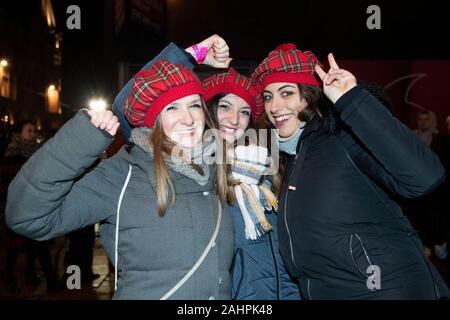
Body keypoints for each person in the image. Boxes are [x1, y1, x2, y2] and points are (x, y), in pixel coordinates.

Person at [6, 35, 236, 299]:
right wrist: (80, 141)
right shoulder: (123, 174)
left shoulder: (216, 168)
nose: (188, 118)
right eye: (172, 108)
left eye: (194, 105)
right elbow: (26, 217)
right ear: (153, 121)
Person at [251, 43, 449, 299]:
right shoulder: (293, 156)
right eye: (268, 96)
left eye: (286, 93)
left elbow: (424, 175)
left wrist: (351, 100)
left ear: (310, 94)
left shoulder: (342, 135)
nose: (275, 106)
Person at [202, 69, 300, 299]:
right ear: (207, 110)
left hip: (289, 292)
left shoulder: (266, 164)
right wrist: (192, 54)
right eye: (225, 106)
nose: (235, 120)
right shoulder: (197, 169)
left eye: (244, 112)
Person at [3, 120, 61, 294]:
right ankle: (10, 278)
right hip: (17, 208)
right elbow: (10, 184)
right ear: (19, 134)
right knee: (15, 249)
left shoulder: (34, 154)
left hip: (35, 207)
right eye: (29, 131)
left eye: (34, 131)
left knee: (35, 244)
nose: (33, 134)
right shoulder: (12, 155)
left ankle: (38, 277)